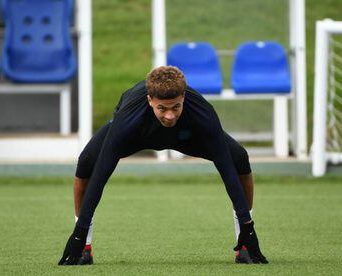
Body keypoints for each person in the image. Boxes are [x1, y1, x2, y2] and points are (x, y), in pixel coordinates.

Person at [58, 66, 268, 265]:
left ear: (183, 97)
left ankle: (244, 248)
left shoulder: (204, 112)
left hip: (186, 136)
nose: (170, 115)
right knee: (87, 161)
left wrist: (247, 227)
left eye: (176, 106)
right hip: (138, 134)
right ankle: (85, 248)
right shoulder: (127, 118)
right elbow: (101, 173)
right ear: (150, 100)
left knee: (239, 158)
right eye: (162, 108)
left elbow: (226, 169)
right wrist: (80, 231)